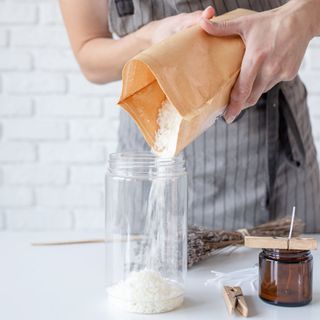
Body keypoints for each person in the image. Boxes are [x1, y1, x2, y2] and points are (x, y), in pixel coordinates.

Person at [60, 0, 320, 232]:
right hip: (154, 149)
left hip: (272, 147)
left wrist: (301, 17)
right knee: (155, 275)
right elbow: (88, 54)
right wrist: (149, 39)